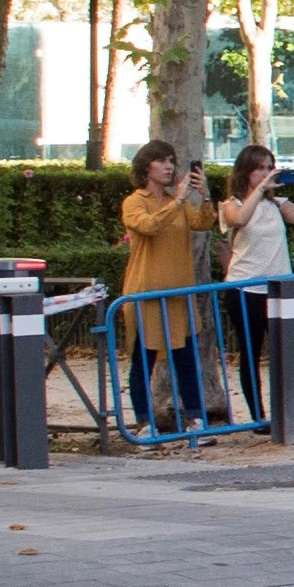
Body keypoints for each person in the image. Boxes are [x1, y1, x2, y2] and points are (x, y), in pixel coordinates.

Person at [115, 140, 215, 442]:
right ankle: (145, 423)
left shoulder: (178, 199)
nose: (169, 166)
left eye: (172, 160)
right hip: (145, 293)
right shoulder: (135, 201)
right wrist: (178, 200)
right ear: (147, 167)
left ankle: (197, 419)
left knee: (185, 357)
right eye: (161, 161)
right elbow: (149, 226)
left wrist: (204, 194)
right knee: (142, 359)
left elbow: (202, 223)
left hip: (178, 294)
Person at [217, 146, 294, 427]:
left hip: (278, 289)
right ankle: (258, 417)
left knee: (287, 354)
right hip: (245, 288)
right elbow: (239, 219)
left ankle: (292, 414)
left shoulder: (278, 203)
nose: (266, 173)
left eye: (269, 167)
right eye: (259, 168)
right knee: (251, 352)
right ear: (245, 172)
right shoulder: (232, 204)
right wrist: (261, 189)